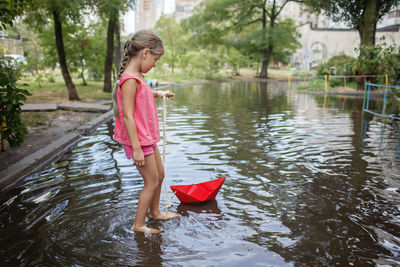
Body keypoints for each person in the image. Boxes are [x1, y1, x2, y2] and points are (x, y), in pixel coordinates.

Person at [112, 30, 178, 234]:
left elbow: (144, 94)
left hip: (146, 138)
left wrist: (160, 93)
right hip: (138, 140)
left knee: (160, 175)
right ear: (145, 53)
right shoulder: (129, 79)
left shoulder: (139, 77)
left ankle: (155, 212)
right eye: (155, 60)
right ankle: (138, 224)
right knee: (151, 181)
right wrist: (137, 149)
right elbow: (128, 116)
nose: (154, 65)